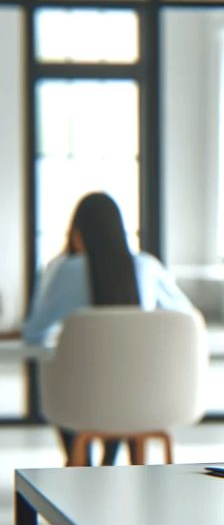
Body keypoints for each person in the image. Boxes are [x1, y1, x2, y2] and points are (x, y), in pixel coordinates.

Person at [22, 192, 194, 466]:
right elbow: (186, 319)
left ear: (78, 232)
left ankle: (77, 462)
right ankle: (109, 459)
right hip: (144, 398)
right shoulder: (147, 266)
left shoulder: (68, 270)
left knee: (80, 378)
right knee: (123, 374)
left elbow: (33, 334)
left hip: (82, 402)